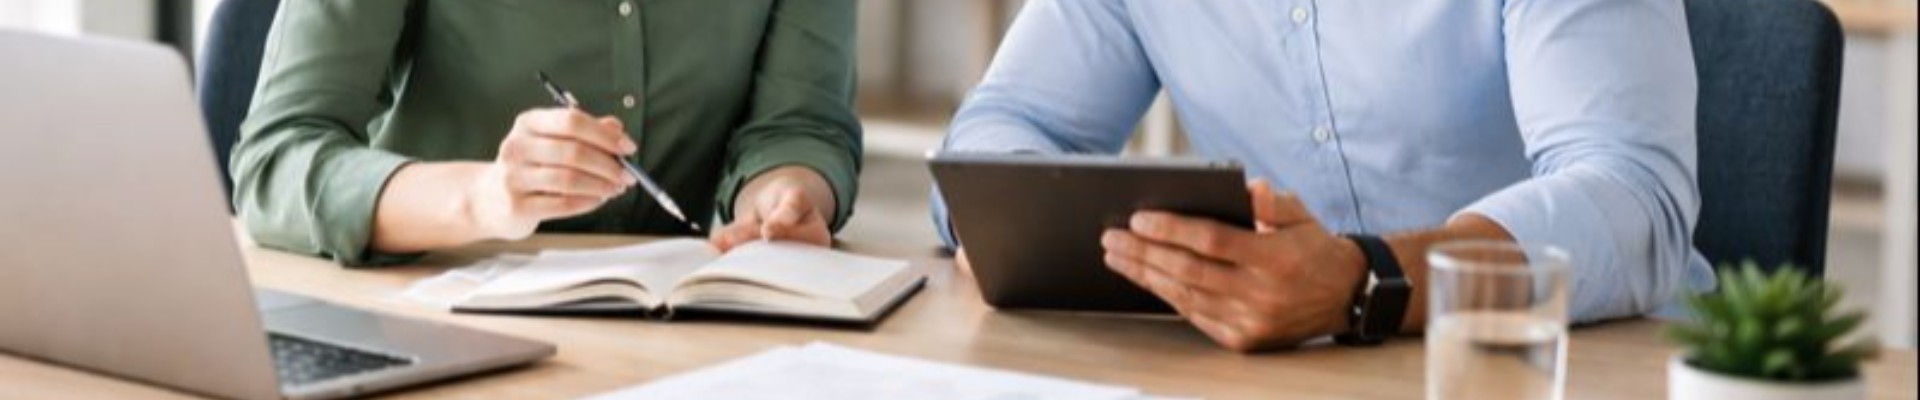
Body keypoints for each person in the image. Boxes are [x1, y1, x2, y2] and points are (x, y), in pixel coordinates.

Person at [932, 0, 1714, 351]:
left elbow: (1630, 194)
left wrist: (1366, 280)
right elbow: (1003, 130)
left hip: (1570, 361)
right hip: (1291, 372)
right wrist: (1014, 219)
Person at [233, 1, 861, 265]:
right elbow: (276, 158)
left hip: (694, 333)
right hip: (432, 318)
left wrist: (784, 196)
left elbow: (801, 122)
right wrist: (484, 197)